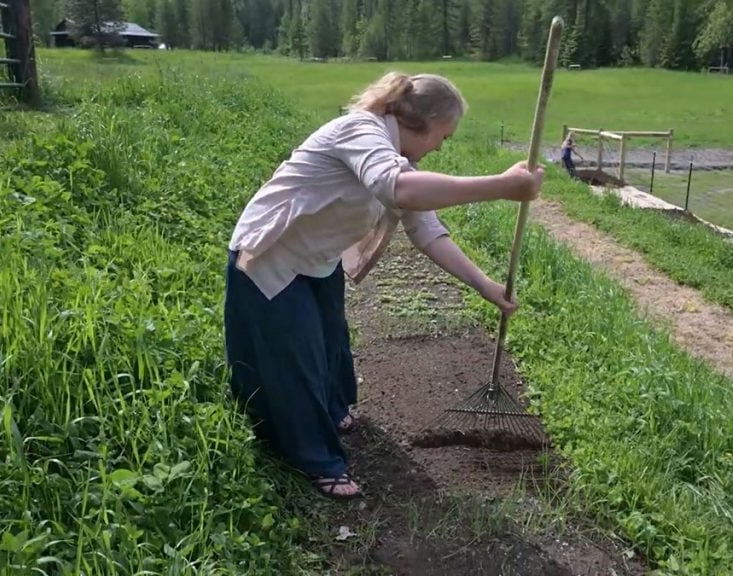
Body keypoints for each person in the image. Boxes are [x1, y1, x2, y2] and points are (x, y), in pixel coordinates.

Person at [223, 71, 545, 500]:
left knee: (331, 345)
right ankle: (317, 461)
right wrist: (501, 186)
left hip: (316, 259)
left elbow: (427, 230)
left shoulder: (396, 155)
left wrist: (486, 286)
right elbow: (400, 190)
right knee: (294, 360)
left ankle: (331, 411)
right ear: (424, 124)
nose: (439, 147)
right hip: (272, 255)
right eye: (443, 137)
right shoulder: (361, 131)